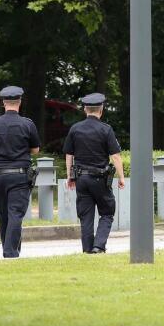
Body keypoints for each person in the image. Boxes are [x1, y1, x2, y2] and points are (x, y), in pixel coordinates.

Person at [0, 86, 42, 258]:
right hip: (20, 175)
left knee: (4, 214)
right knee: (16, 213)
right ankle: (10, 252)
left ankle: (10, 249)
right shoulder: (27, 124)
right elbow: (35, 149)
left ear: (4, 103)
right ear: (19, 102)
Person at [63, 92, 125, 253]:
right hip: (100, 179)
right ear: (101, 110)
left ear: (85, 109)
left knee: (86, 216)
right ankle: (98, 246)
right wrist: (121, 177)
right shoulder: (106, 129)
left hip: (81, 179)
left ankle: (87, 249)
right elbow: (116, 156)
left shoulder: (75, 129)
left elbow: (69, 154)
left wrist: (70, 175)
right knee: (107, 212)